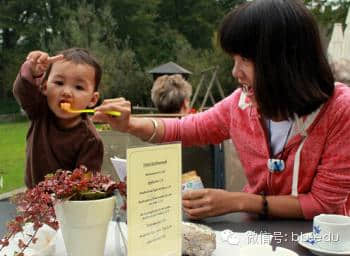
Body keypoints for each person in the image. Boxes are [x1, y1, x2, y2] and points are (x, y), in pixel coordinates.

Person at [92, 0, 350, 220]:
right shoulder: (243, 104)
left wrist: (238, 201)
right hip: (257, 234)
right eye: (233, 60)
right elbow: (188, 128)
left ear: (284, 61)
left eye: (245, 60)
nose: (235, 72)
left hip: (321, 240)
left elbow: (324, 204)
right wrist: (129, 124)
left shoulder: (339, 110)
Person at [13, 48, 104, 188]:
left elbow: (86, 185)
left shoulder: (90, 140)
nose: (66, 92)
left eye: (79, 87)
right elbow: (23, 91)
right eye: (59, 83)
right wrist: (31, 69)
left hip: (67, 205)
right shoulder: (39, 111)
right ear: (44, 87)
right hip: (33, 200)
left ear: (92, 99)